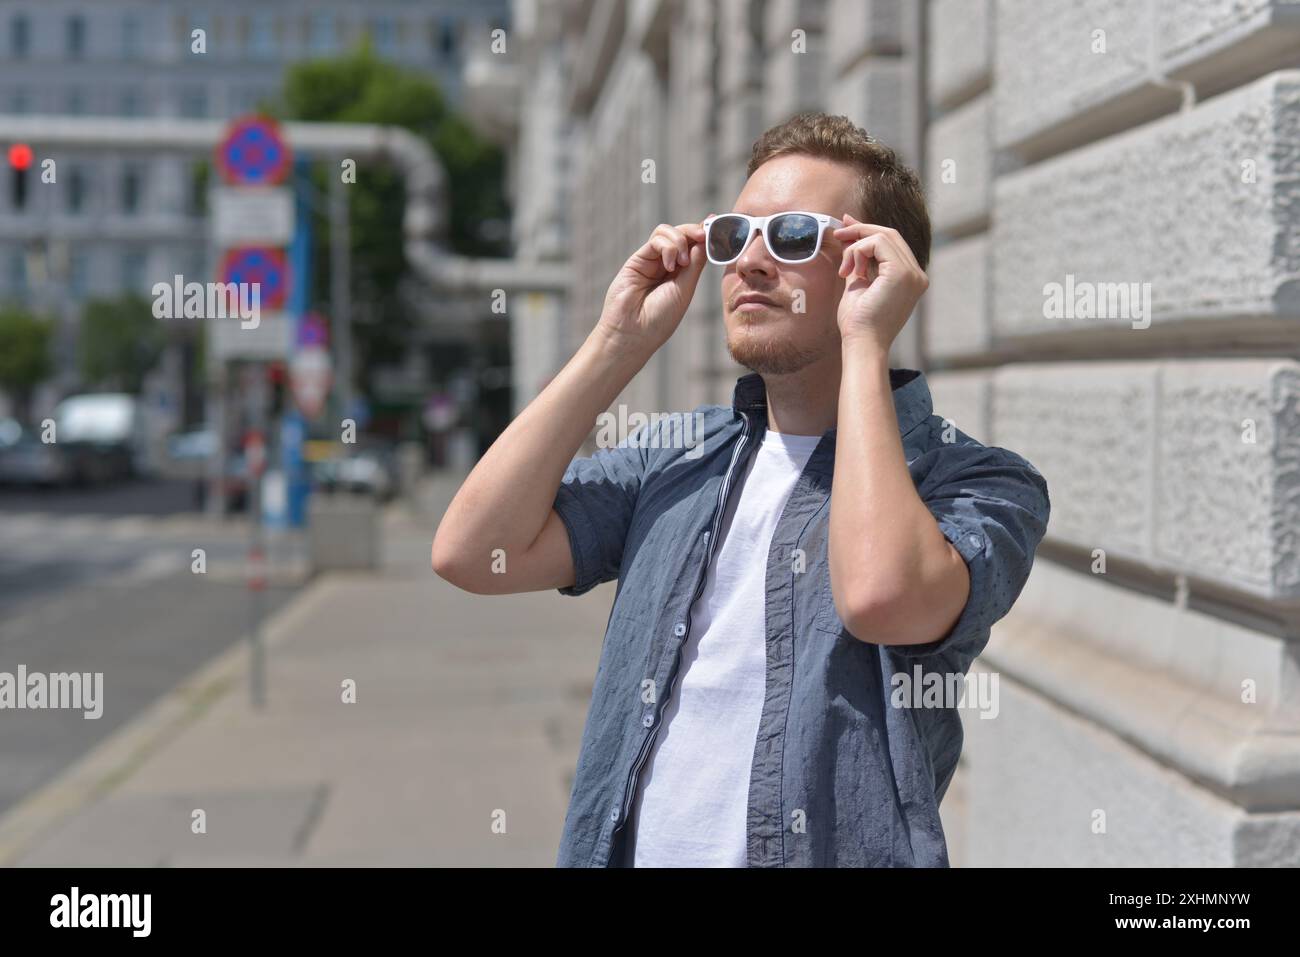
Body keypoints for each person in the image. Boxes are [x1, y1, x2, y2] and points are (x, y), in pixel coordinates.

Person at [432, 111, 1050, 868]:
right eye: (733, 235)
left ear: (872, 266)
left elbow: (882, 596)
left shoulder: (978, 482)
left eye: (791, 236)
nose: (749, 262)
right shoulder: (675, 455)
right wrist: (616, 345)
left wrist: (865, 339)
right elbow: (472, 551)